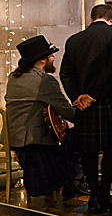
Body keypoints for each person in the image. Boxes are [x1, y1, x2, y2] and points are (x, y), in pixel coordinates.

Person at [60, 4, 112, 213]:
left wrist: (78, 98)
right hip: (108, 101)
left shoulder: (74, 40)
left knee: (88, 152)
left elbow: (66, 73)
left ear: (92, 18)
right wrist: (93, 96)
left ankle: (93, 196)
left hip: (84, 107)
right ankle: (104, 195)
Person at [5, 35, 79, 198]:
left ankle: (69, 184)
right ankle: (71, 183)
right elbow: (67, 111)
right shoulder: (43, 81)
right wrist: (86, 119)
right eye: (51, 56)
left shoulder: (13, 78)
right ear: (42, 60)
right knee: (80, 137)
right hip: (35, 142)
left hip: (14, 138)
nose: (53, 58)